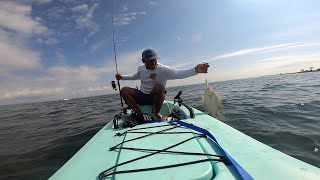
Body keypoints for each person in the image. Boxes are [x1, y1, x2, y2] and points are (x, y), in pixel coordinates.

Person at [115, 48, 209, 122]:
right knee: (124, 90)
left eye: (154, 59)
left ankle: (157, 113)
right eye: (150, 60)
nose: (154, 62)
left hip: (155, 98)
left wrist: (195, 70)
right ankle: (140, 114)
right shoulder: (141, 68)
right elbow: (134, 76)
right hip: (142, 97)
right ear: (144, 61)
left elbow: (178, 73)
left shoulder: (163, 69)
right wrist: (122, 77)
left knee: (159, 87)